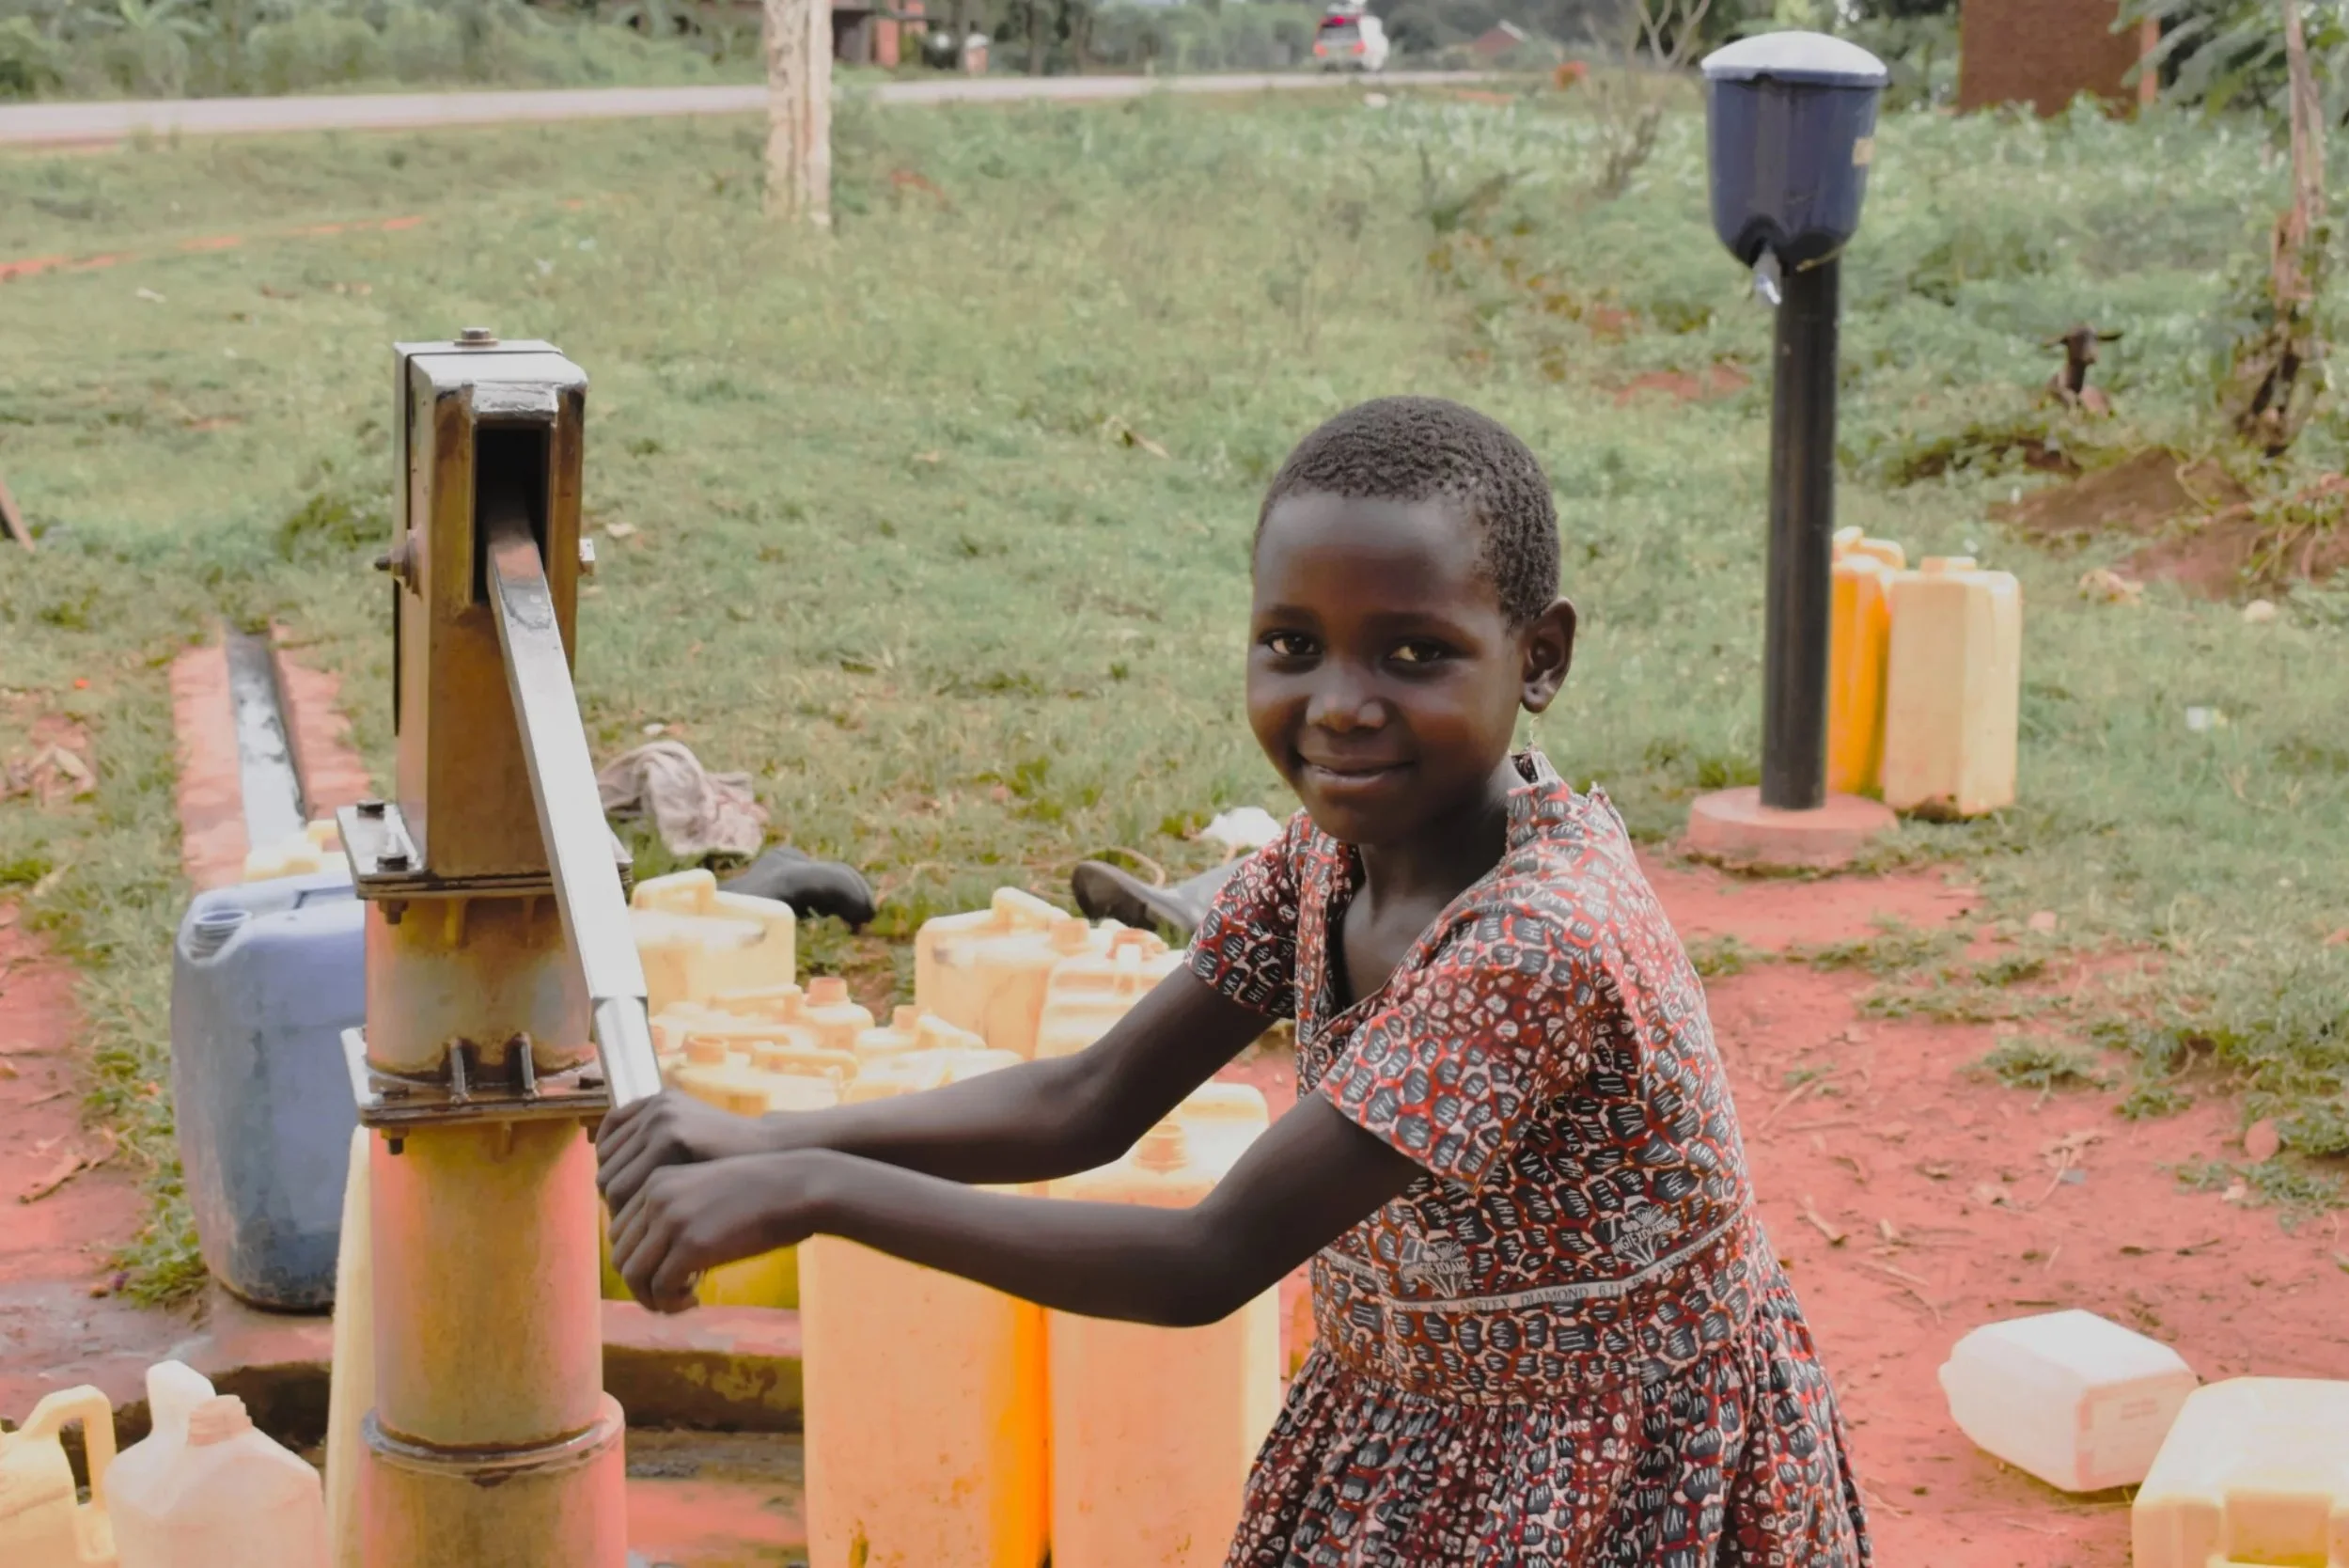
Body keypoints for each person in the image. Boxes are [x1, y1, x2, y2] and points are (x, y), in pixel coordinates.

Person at [597, 396, 1871, 1565]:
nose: (1340, 707)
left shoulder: (1537, 945)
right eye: (1292, 644)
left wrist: (817, 1190)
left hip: (1614, 1470)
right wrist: (761, 1137)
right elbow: (1087, 1101)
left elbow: (1209, 1260)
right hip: (1419, 1415)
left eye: (1413, 655)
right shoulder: (1333, 857)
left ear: (1538, 657)